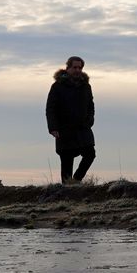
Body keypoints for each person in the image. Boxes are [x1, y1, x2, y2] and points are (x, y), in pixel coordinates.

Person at [46, 56, 95, 184]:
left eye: (80, 67)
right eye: (75, 67)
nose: (77, 70)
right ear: (68, 68)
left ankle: (76, 180)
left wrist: (89, 121)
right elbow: (50, 108)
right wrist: (53, 128)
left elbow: (91, 106)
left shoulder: (86, 86)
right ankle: (67, 193)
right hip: (64, 130)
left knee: (90, 154)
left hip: (83, 129)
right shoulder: (57, 86)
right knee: (67, 162)